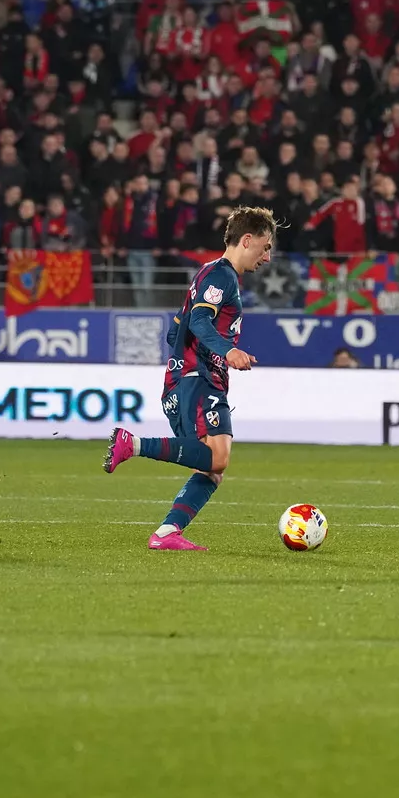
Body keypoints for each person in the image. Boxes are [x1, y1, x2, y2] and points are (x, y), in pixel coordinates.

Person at [103, 206, 278, 551]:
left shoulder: (210, 274)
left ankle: (167, 533)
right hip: (197, 379)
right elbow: (199, 322)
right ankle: (133, 443)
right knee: (218, 458)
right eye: (266, 246)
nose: (267, 257)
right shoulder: (221, 275)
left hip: (187, 379)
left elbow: (177, 329)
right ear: (247, 240)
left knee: (212, 468)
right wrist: (225, 352)